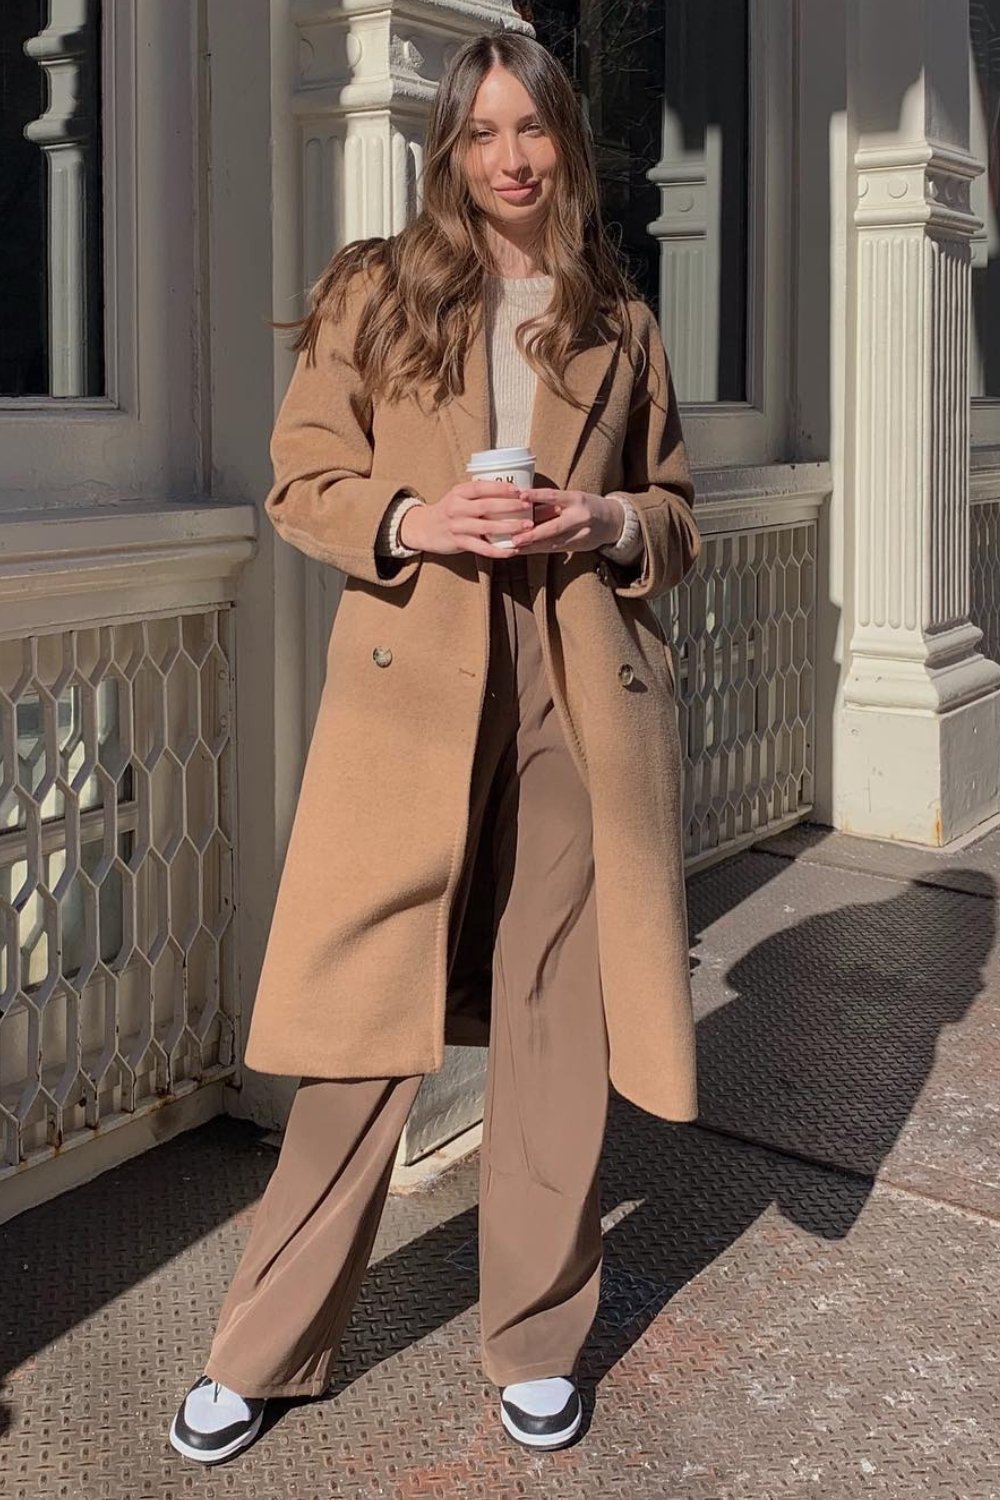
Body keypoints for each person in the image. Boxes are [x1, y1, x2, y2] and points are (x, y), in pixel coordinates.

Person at [168, 28, 700, 1466]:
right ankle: (263, 1348)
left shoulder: (619, 317)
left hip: (573, 688)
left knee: (552, 1020)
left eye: (533, 130)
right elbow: (303, 479)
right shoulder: (376, 288)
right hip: (415, 681)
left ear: (566, 143)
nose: (512, 159)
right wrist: (413, 521)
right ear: (449, 150)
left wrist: (609, 524)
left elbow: (675, 509)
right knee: (360, 1027)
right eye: (483, 134)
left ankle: (537, 1338)